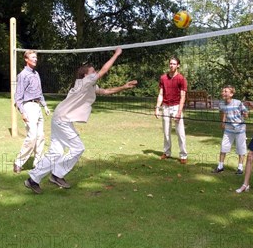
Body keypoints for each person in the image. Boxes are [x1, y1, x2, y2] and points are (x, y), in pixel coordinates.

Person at [24, 47, 137, 194]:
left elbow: (105, 91)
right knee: (78, 148)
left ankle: (33, 180)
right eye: (92, 70)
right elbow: (103, 71)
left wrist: (124, 87)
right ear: (86, 74)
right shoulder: (84, 82)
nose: (95, 72)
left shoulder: (89, 85)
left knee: (56, 152)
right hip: (62, 119)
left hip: (60, 118)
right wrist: (116, 54)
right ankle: (57, 174)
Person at [13, 50, 50, 173]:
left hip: (38, 106)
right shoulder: (23, 75)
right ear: (26, 59)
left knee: (40, 136)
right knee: (32, 136)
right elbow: (18, 97)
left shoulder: (36, 74)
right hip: (28, 107)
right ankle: (18, 162)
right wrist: (23, 112)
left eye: (36, 57)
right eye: (33, 57)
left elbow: (39, 93)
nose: (35, 59)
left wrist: (44, 106)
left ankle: (38, 163)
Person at [154, 56, 188, 164]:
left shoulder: (181, 79)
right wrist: (157, 108)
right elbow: (160, 94)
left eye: (174, 64)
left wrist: (179, 112)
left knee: (180, 132)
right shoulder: (163, 78)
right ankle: (167, 152)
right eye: (170, 63)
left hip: (176, 106)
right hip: (165, 107)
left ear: (178, 65)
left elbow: (183, 96)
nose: (171, 65)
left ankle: (183, 155)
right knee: (166, 132)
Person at [213, 85, 249, 175]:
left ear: (231, 94)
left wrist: (245, 114)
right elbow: (223, 112)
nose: (223, 93)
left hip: (240, 128)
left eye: (226, 91)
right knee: (223, 147)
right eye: (223, 91)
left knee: (241, 148)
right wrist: (223, 122)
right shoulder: (221, 104)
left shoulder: (237, 103)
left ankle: (240, 168)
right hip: (229, 129)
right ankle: (220, 166)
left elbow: (246, 113)